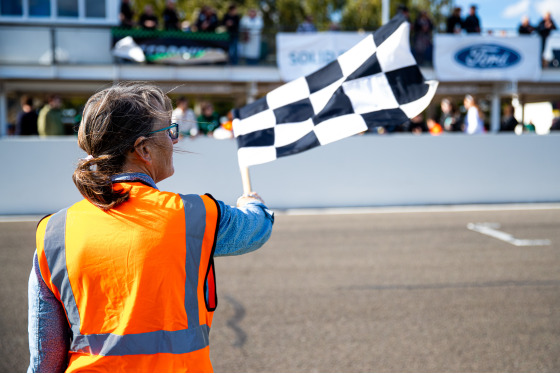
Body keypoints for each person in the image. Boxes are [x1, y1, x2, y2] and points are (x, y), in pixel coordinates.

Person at [27, 82, 274, 372]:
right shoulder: (194, 215)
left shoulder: (54, 232)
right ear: (143, 149)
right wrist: (252, 202)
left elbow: (44, 358)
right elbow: (256, 229)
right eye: (169, 131)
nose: (174, 140)